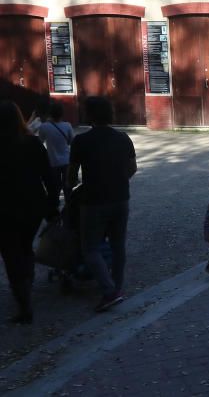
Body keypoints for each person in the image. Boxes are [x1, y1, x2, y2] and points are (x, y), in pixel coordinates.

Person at [68, 96, 137, 313]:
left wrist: (72, 189)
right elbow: (132, 168)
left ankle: (109, 291)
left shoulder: (81, 141)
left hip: (93, 201)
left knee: (90, 247)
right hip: (120, 198)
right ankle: (117, 286)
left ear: (89, 115)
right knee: (118, 246)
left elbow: (71, 175)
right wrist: (117, 178)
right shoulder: (123, 138)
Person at [0, 101, 60, 324]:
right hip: (33, 206)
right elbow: (49, 178)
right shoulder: (33, 144)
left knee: (10, 253)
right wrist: (52, 207)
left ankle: (24, 300)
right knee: (25, 246)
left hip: (4, 209)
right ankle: (28, 283)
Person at [36, 101, 74, 202]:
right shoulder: (68, 125)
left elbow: (40, 142)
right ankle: (68, 208)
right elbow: (71, 142)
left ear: (50, 113)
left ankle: (55, 208)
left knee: (55, 188)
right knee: (67, 187)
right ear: (62, 113)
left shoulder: (44, 127)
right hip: (66, 161)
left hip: (52, 161)